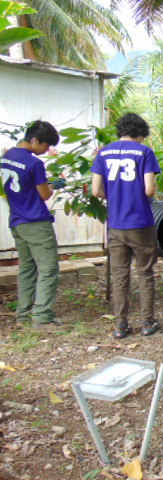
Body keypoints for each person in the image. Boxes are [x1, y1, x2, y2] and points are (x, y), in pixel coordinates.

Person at [91, 113, 161, 339]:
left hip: (116, 223)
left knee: (120, 275)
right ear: (140, 132)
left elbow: (96, 191)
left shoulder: (103, 153)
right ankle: (148, 322)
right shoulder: (145, 152)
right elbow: (150, 190)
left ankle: (121, 325)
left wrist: (115, 197)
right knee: (145, 272)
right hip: (140, 222)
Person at [1, 120, 63, 330]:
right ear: (35, 140)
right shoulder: (34, 163)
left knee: (27, 268)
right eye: (46, 145)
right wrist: (53, 185)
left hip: (17, 220)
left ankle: (24, 315)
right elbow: (44, 194)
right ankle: (42, 317)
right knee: (48, 268)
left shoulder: (7, 156)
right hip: (36, 222)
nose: (46, 150)